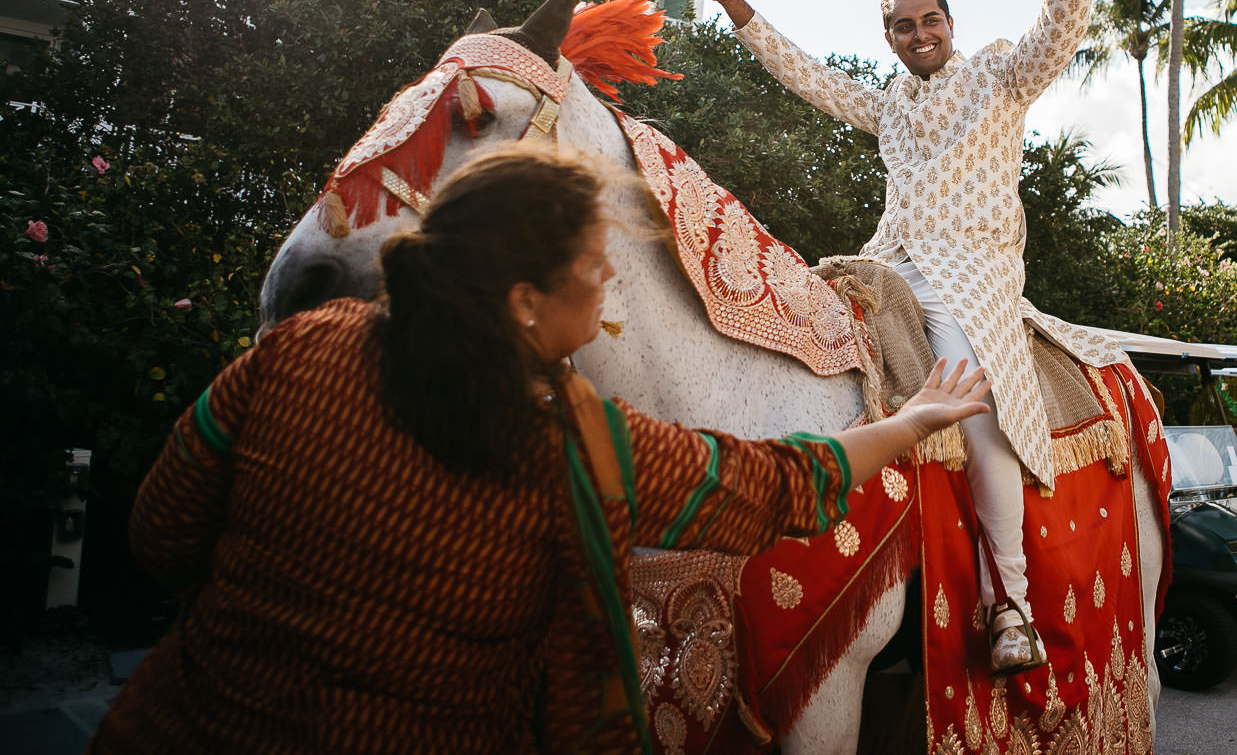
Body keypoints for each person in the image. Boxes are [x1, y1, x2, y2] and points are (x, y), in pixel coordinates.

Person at [92, 147, 989, 754]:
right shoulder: (571, 441)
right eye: (596, 262)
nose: (609, 280)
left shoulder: (300, 346)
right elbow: (773, 481)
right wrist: (913, 424)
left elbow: (159, 532)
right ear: (524, 299)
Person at [662, 0, 1113, 675]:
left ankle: (1007, 602)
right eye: (903, 26)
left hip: (970, 278)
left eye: (929, 19)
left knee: (976, 406)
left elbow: (1060, 35)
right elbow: (806, 76)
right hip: (884, 267)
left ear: (949, 20)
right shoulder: (888, 105)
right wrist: (733, 6)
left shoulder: (999, 77)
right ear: (890, 39)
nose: (920, 34)